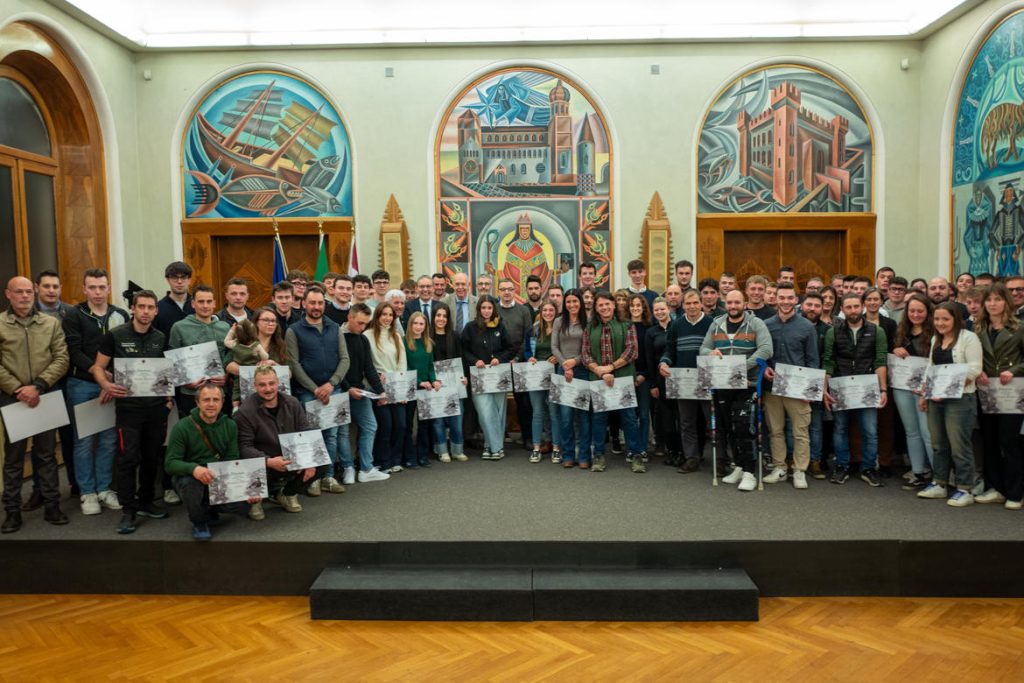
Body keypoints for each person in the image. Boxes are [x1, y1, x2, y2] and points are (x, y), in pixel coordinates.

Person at [92, 290, 172, 535]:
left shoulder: (161, 337)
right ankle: (128, 510)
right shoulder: (116, 335)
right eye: (142, 307)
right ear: (133, 309)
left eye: (150, 307)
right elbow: (98, 367)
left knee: (151, 457)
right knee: (128, 459)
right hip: (129, 410)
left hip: (156, 409)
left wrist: (169, 398)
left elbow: (166, 370)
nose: (146, 311)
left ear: (156, 311)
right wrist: (105, 384)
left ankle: (146, 501)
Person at [0, 276, 70, 533]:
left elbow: (62, 358)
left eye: (29, 291)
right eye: (19, 292)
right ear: (8, 294)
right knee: (14, 458)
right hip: (13, 398)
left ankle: (52, 505)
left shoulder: (50, 323)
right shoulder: (0, 324)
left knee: (47, 455)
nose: (25, 296)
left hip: (45, 395)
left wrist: (38, 385)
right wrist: (18, 389)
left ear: (34, 293)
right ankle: (12, 511)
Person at [62, 268, 129, 515]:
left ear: (109, 288)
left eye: (102, 287)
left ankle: (104, 488)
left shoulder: (120, 315)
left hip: (113, 384)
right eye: (92, 287)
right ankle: (87, 492)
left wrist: (111, 381)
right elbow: (74, 352)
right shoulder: (74, 315)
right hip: (83, 384)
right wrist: (100, 377)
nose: (98, 292)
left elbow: (124, 350)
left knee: (109, 440)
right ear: (84, 289)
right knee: (84, 441)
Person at [699, 289, 773, 491]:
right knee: (729, 427)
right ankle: (739, 466)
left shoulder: (756, 323)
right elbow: (703, 348)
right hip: (723, 384)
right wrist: (710, 352)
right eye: (729, 303)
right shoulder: (717, 323)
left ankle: (750, 472)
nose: (733, 306)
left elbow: (766, 349)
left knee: (744, 427)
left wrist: (740, 366)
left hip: (748, 384)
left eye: (737, 302)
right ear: (725, 304)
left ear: (744, 304)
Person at [165, 382, 257, 540]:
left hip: (217, 476)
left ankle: (210, 509)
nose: (211, 404)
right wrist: (194, 469)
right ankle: (199, 522)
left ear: (222, 402)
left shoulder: (230, 425)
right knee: (190, 484)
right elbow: (170, 463)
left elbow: (232, 459)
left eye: (216, 399)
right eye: (206, 400)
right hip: (191, 477)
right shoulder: (182, 427)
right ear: (197, 402)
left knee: (244, 505)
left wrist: (244, 489)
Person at [284, 286, 350, 495]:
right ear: (304, 303)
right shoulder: (293, 330)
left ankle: (328, 476)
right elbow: (294, 364)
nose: (316, 306)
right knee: (313, 435)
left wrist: (331, 384)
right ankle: (313, 479)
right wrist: (315, 389)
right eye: (312, 302)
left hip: (334, 389)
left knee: (331, 435)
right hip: (307, 392)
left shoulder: (334, 327)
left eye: (320, 303)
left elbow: (345, 359)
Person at [916, 303, 983, 508]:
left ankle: (965, 488)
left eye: (945, 319)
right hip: (935, 399)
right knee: (938, 444)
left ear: (956, 319)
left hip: (960, 400)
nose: (940, 323)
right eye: (937, 319)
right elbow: (931, 367)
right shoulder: (936, 339)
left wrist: (946, 389)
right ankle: (939, 483)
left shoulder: (969, 338)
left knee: (959, 446)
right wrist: (925, 393)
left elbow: (974, 369)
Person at [234, 364, 323, 516]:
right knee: (250, 465)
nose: (268, 388)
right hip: (265, 462)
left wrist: (309, 460)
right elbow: (244, 447)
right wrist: (268, 461)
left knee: (321, 462)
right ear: (255, 386)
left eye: (271, 383)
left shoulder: (293, 402)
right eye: (262, 385)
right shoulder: (245, 412)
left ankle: (287, 493)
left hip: (289, 458)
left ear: (278, 383)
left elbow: (305, 431)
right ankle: (257, 499)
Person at [822, 293, 889, 487]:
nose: (853, 311)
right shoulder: (833, 332)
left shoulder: (877, 331)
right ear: (842, 309)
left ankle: (868, 468)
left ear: (862, 307)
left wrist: (883, 389)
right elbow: (828, 361)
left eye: (856, 306)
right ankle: (841, 466)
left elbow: (880, 361)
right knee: (840, 428)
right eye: (849, 307)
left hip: (867, 386)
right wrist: (825, 389)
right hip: (840, 385)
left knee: (870, 430)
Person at [762, 283, 819, 489]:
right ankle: (779, 467)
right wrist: (764, 368)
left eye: (789, 298)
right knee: (775, 430)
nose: (785, 302)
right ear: (776, 299)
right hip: (772, 387)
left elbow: (813, 360)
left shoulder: (807, 327)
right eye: (782, 298)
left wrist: (810, 390)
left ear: (796, 300)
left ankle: (799, 470)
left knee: (800, 431)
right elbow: (761, 354)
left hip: (798, 389)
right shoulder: (766, 325)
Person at [581, 291, 646, 473]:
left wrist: (610, 367)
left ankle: (636, 455)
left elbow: (632, 351)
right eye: (600, 305)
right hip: (599, 380)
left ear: (614, 305)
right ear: (596, 308)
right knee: (599, 419)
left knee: (629, 418)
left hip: (623, 379)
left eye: (607, 304)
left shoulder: (627, 324)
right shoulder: (590, 328)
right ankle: (599, 455)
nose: (604, 307)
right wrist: (600, 371)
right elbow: (585, 354)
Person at [974, 282, 1024, 509]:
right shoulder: (979, 329)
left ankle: (1015, 493)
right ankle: (996, 488)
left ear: (1007, 302)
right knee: (990, 440)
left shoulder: (1019, 328)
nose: (993, 304)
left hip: (1012, 391)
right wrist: (978, 370)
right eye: (989, 300)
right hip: (987, 391)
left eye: (998, 299)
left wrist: (1014, 371)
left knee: (1009, 442)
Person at [332, 304, 390, 483]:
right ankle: (348, 467)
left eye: (366, 323)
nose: (363, 327)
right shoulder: (336, 337)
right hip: (340, 390)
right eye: (360, 323)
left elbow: (369, 368)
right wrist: (348, 388)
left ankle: (366, 469)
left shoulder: (363, 339)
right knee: (342, 432)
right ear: (349, 317)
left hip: (360, 390)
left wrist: (381, 392)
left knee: (370, 426)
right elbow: (335, 367)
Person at [658, 289, 712, 473]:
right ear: (683, 305)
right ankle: (691, 458)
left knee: (711, 422)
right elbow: (670, 349)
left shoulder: (711, 323)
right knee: (687, 422)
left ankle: (720, 459)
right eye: (688, 304)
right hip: (684, 382)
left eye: (695, 303)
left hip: (707, 380)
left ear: (701, 303)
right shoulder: (677, 325)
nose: (692, 307)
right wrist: (664, 362)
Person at [461, 295, 515, 459]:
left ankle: (489, 446)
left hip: (498, 375)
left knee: (498, 412)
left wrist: (500, 358)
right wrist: (474, 360)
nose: (486, 311)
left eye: (489, 308)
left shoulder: (500, 326)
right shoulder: (470, 327)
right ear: (479, 309)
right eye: (483, 308)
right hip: (479, 376)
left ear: (493, 309)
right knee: (485, 412)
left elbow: (510, 348)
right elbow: (463, 350)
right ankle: (496, 447)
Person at [891, 294, 936, 489]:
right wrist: (896, 350)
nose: (916, 314)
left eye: (920, 311)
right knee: (911, 431)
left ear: (928, 312)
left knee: (928, 433)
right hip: (902, 387)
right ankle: (918, 472)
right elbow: (894, 356)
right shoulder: (901, 332)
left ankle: (938, 477)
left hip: (925, 389)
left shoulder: (935, 333)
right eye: (912, 311)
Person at [168, 285, 232, 418]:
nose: (205, 305)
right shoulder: (179, 327)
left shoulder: (225, 327)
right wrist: (186, 381)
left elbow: (231, 357)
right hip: (190, 394)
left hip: (219, 393)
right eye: (201, 301)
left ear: (214, 303)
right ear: (193, 304)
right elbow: (171, 361)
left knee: (219, 429)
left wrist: (226, 376)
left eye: (209, 301)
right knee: (191, 430)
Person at [365, 303, 407, 472]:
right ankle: (383, 461)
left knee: (401, 425)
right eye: (384, 314)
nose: (387, 318)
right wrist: (378, 382)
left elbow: (402, 362)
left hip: (396, 386)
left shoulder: (396, 335)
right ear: (377, 315)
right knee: (386, 426)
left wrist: (402, 388)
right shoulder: (367, 335)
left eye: (390, 315)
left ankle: (396, 460)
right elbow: (367, 364)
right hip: (379, 387)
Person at [552, 289, 590, 467]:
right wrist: (565, 365)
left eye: (575, 301)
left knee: (583, 417)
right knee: (566, 416)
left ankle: (584, 456)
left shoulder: (588, 321)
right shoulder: (559, 321)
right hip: (563, 372)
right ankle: (567, 455)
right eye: (569, 302)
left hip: (583, 371)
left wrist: (574, 362)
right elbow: (554, 347)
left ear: (580, 302)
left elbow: (589, 350)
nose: (572, 305)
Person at [496, 277, 534, 447]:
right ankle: (497, 439)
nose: (506, 292)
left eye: (510, 289)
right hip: (497, 363)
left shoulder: (523, 311)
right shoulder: (493, 310)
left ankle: (527, 437)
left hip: (519, 363)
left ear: (514, 291)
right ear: (498, 291)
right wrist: (501, 359)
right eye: (503, 289)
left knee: (524, 402)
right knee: (497, 402)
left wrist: (517, 358)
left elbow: (528, 337)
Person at [224, 311, 287, 408]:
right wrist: (257, 370)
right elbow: (228, 365)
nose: (270, 323)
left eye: (273, 321)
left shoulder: (281, 345)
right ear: (256, 323)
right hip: (247, 394)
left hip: (274, 397)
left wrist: (274, 364)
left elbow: (289, 373)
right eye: (266, 320)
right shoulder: (242, 342)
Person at [429, 304, 467, 462]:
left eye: (444, 316)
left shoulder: (455, 335)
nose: (441, 319)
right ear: (433, 317)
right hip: (435, 383)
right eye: (438, 315)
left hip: (454, 382)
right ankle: (442, 450)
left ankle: (457, 450)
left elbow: (461, 357)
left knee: (457, 417)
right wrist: (431, 380)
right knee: (438, 419)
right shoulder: (427, 336)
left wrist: (464, 377)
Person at [524, 301, 561, 462]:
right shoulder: (533, 329)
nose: (548, 313)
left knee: (554, 413)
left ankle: (556, 448)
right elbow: (526, 350)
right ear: (541, 312)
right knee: (537, 412)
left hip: (555, 375)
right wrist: (529, 357)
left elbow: (564, 349)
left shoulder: (560, 329)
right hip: (536, 376)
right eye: (545, 310)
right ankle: (536, 448)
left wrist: (558, 357)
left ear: (556, 311)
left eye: (551, 310)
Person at [800, 292, 831, 479]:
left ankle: (815, 460)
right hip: (795, 382)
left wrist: (822, 385)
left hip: (818, 382)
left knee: (816, 425)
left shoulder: (828, 330)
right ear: (802, 305)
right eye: (809, 304)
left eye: (817, 305)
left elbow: (828, 358)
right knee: (794, 425)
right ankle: (795, 460)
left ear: (822, 308)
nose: (812, 309)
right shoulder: (794, 325)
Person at [404, 311, 440, 468]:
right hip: (410, 387)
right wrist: (419, 382)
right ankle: (409, 457)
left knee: (424, 424)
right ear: (410, 324)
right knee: (408, 424)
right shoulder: (403, 342)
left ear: (425, 326)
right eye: (415, 323)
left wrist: (434, 380)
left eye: (421, 324)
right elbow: (405, 367)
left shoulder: (429, 343)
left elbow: (430, 366)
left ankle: (423, 456)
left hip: (426, 389)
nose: (418, 327)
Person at [627, 293, 654, 460]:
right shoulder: (624, 326)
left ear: (643, 308)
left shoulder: (650, 328)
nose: (635, 308)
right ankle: (632, 448)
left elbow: (650, 356)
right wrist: (630, 375)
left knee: (644, 414)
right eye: (632, 305)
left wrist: (644, 375)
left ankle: (643, 448)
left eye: (638, 305)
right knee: (630, 416)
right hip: (627, 377)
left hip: (644, 377)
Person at [154, 261, 193, 341]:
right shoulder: (158, 308)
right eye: (175, 278)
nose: (179, 281)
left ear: (189, 280)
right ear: (168, 280)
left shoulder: (198, 305)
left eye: (183, 277)